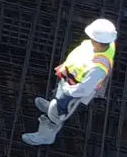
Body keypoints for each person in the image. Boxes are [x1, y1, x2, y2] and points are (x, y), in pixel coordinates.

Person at [22, 17, 118, 146]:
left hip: (72, 91)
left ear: (99, 41)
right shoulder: (107, 44)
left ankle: (46, 135)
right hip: (68, 79)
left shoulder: (98, 68)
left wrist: (69, 90)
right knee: (56, 98)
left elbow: (84, 88)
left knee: (58, 112)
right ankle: (51, 106)